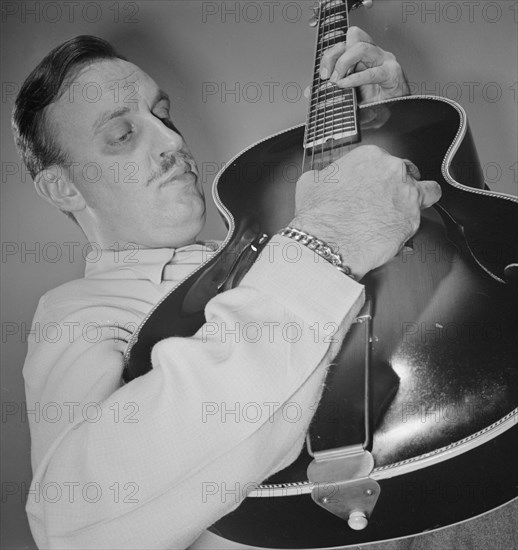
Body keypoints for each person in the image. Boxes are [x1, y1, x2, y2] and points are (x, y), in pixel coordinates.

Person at [14, 27, 441, 549]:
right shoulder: (75, 311)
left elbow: (438, 310)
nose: (172, 142)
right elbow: (72, 523)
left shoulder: (268, 244)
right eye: (123, 135)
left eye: (163, 115)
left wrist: (393, 134)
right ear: (63, 185)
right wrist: (330, 241)